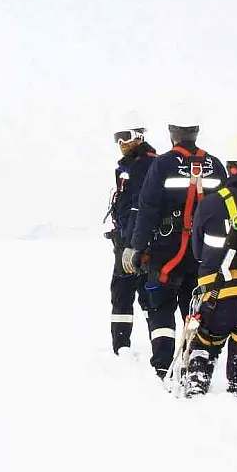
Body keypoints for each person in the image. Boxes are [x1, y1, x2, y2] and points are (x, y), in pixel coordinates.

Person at [122, 107, 227, 378]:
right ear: (196, 131)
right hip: (203, 251)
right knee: (195, 308)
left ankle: (162, 364)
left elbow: (147, 208)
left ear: (172, 134)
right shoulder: (215, 164)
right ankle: (195, 363)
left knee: (160, 306)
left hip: (167, 250)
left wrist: (136, 247)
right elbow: (226, 206)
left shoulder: (163, 164)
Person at [180, 133, 237, 399]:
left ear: (230, 167)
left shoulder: (209, 204)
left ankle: (195, 388)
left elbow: (198, 252)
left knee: (205, 343)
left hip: (215, 296)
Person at [104, 118, 158, 355]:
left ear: (139, 136)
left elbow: (140, 207)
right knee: (122, 294)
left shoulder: (146, 165)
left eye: (126, 136)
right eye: (118, 138)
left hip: (139, 244)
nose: (122, 143)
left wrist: (133, 245)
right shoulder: (127, 167)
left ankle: (157, 350)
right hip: (126, 240)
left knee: (146, 295)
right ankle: (121, 347)